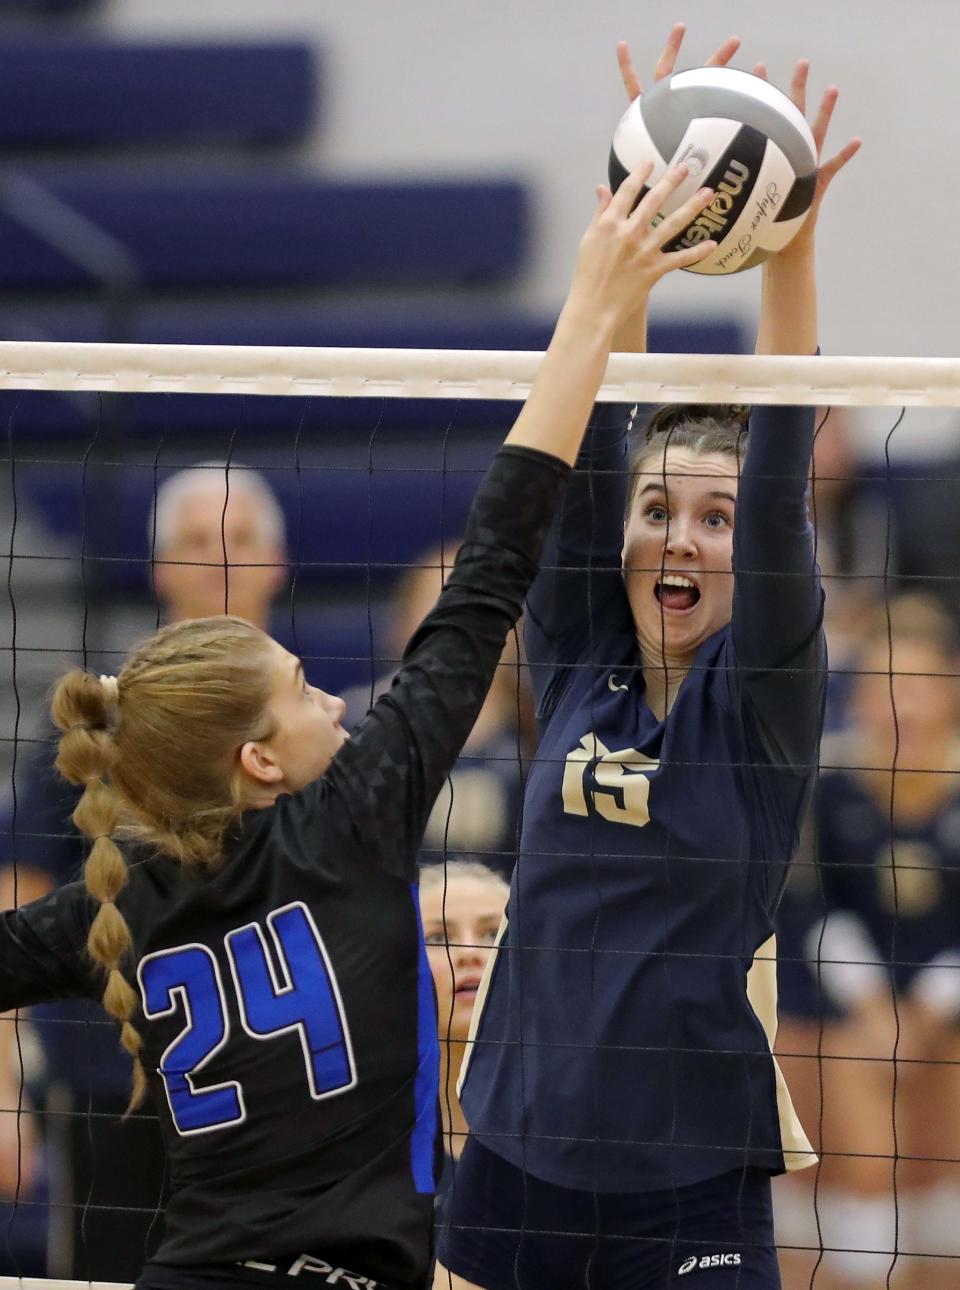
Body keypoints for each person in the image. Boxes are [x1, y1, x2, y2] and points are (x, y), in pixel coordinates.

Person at [0, 164, 720, 1290]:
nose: (336, 699)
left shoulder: (118, 902)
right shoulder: (355, 813)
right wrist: (593, 300)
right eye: (303, 691)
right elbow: (495, 560)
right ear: (257, 757)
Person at [439, 27, 861, 1290]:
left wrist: (788, 251)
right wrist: (639, 208)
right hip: (513, 1154)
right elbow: (574, 424)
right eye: (659, 508)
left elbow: (784, 467)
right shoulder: (576, 648)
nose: (680, 536)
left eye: (715, 520)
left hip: (687, 1183)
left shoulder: (767, 690)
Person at [0, 462, 288, 1280]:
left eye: (239, 540)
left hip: (275, 1081)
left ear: (277, 563)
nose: (220, 562)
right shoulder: (94, 730)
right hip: (109, 1081)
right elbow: (18, 899)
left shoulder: (319, 723)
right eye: (198, 542)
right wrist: (3, 1089)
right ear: (162, 569)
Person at [801, 596, 960, 1290]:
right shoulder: (831, 789)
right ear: (861, 698)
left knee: (939, 1188)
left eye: (921, 687)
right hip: (855, 1015)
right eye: (885, 687)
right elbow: (814, 909)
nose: (904, 707)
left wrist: (929, 1005)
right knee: (866, 1156)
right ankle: (854, 1257)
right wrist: (872, 1004)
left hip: (945, 1008)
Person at [344, 547, 534, 878]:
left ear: (515, 630)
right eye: (441, 604)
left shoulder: (541, 734)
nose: (459, 625)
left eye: (480, 606)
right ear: (403, 626)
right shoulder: (349, 725)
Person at [419, 861, 510, 1173]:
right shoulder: (370, 1144)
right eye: (435, 938)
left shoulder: (577, 1130)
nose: (469, 951)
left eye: (493, 933)